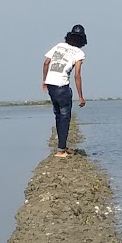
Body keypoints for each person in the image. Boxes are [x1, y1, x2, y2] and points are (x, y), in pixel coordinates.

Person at [41, 24, 87, 156]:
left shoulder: (59, 46)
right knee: (65, 116)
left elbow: (46, 63)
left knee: (58, 115)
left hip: (51, 85)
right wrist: (81, 96)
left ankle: (62, 147)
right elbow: (77, 75)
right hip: (62, 86)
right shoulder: (79, 53)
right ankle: (61, 150)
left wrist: (44, 81)